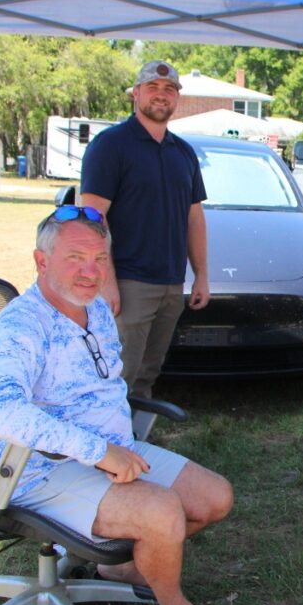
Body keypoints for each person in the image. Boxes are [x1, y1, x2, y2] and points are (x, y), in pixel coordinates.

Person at [0, 206, 255, 605]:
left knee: (214, 498)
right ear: (41, 261)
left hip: (113, 452)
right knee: (163, 511)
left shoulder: (96, 308)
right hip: (41, 471)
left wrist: (110, 450)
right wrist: (98, 451)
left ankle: (119, 568)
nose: (91, 271)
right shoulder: (21, 325)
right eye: (75, 257)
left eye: (100, 259)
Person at [80, 59, 209, 399]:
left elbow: (194, 218)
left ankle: (137, 444)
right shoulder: (111, 145)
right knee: (118, 375)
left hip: (171, 283)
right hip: (128, 282)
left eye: (169, 89)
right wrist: (106, 282)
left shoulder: (184, 153)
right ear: (135, 94)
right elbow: (92, 216)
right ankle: (109, 449)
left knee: (148, 374)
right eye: (152, 87)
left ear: (177, 98)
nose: (161, 95)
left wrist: (202, 275)